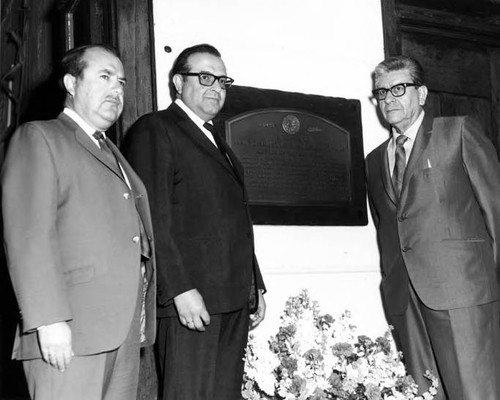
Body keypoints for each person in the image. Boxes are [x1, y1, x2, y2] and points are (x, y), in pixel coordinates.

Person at [1, 44, 156, 400]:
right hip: (69, 331)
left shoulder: (112, 152)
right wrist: (48, 319)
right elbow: (29, 236)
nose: (116, 89)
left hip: (121, 330)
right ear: (71, 82)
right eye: (104, 77)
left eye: (121, 82)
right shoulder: (39, 137)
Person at [122, 43, 266, 400]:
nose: (216, 87)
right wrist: (179, 289)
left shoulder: (219, 140)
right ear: (177, 82)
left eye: (222, 80)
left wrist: (255, 284)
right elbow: (151, 216)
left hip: (231, 299)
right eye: (205, 77)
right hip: (190, 299)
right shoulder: (155, 129)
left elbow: (233, 220)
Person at [365, 55, 500, 399]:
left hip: (461, 295)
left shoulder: (457, 133)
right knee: (425, 395)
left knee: (474, 393)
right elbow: (388, 228)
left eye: (399, 88)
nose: (389, 99)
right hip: (404, 300)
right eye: (381, 93)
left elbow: (495, 210)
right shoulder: (373, 161)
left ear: (421, 94)